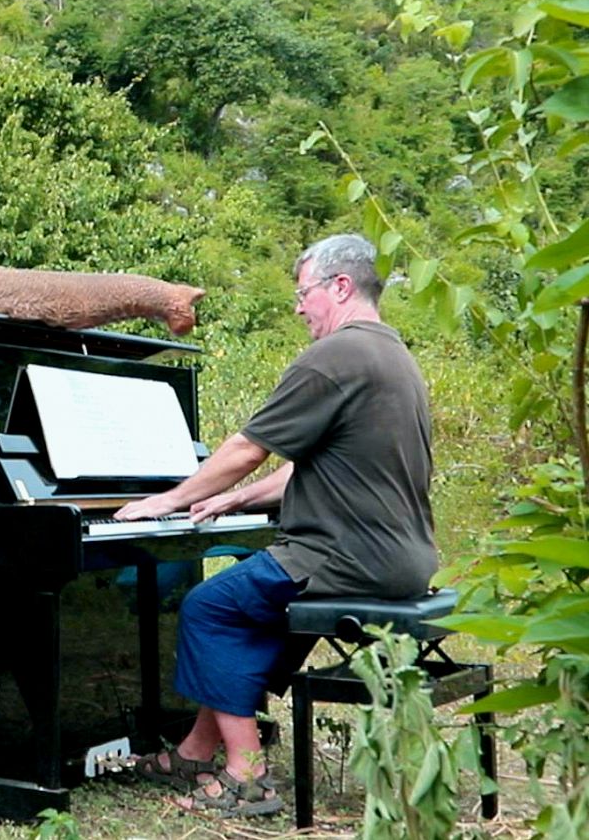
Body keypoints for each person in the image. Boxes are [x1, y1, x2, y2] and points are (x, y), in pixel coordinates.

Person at [113, 232, 438, 817]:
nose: (297, 307)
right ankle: (193, 752)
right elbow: (301, 470)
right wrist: (232, 502)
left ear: (340, 287)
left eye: (303, 292)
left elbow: (246, 448)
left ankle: (246, 777)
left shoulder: (336, 355)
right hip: (400, 558)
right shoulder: (393, 355)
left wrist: (168, 500)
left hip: (343, 557)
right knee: (253, 614)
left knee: (210, 608)